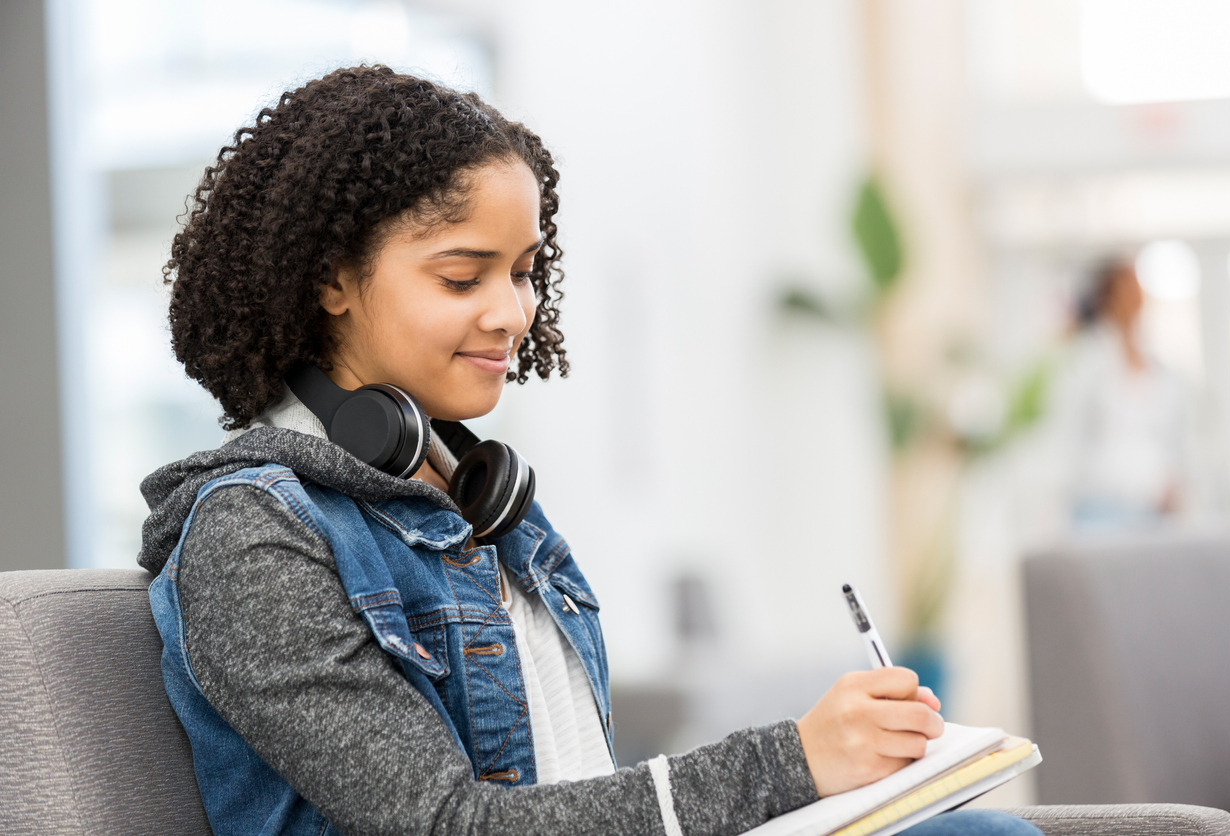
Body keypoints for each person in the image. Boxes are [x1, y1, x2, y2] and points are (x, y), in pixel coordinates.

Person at [139, 65, 1039, 836]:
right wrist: (786, 766)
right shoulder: (250, 538)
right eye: (462, 276)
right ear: (331, 278)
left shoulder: (480, 498)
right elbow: (445, 824)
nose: (511, 313)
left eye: (525, 271)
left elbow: (566, 786)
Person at [1060, 255, 1192, 529]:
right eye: (1129, 284)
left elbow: (1170, 440)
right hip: (1101, 508)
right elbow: (1068, 439)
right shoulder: (1086, 362)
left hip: (1155, 509)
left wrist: (1174, 484)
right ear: (1109, 296)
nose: (1138, 293)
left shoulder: (1158, 368)